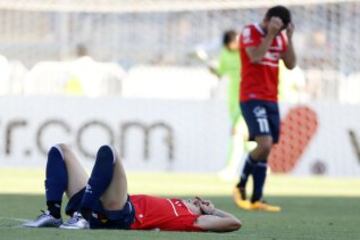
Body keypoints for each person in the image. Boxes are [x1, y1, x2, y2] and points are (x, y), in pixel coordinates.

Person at [24, 144, 241, 232]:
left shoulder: (192, 219)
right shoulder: (177, 202)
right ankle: (54, 213)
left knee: (110, 152)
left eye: (201, 204)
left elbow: (234, 223)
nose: (198, 201)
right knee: (61, 150)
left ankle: (82, 214)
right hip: (100, 203)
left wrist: (212, 210)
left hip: (121, 212)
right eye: (198, 200)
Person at [233, 5, 296, 212]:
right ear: (268, 19)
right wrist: (270, 35)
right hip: (252, 97)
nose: (277, 32)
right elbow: (255, 57)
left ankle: (257, 198)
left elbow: (291, 64)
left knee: (266, 150)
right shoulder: (250, 31)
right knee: (265, 143)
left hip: (271, 98)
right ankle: (240, 184)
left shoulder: (280, 37)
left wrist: (289, 38)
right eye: (275, 26)